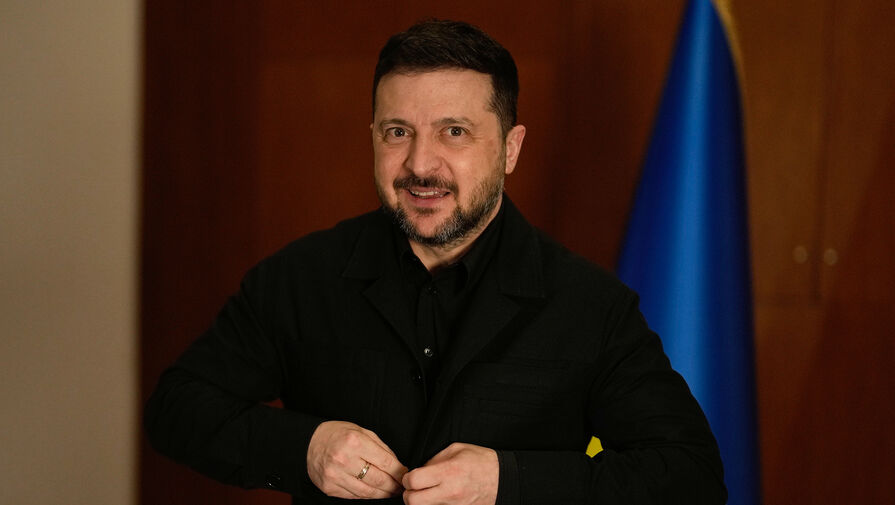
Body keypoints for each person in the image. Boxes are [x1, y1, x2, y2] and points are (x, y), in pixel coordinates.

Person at [145, 19, 727, 505]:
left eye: (454, 132)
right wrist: (306, 449)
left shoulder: (590, 306)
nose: (421, 164)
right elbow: (176, 409)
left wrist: (508, 481)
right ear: (373, 137)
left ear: (510, 149)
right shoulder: (299, 278)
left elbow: (690, 474)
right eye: (398, 132)